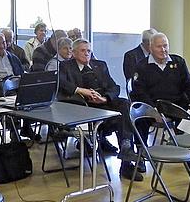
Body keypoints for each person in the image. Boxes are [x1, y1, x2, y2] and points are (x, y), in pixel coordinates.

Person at [59, 39, 138, 180]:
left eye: (89, 51)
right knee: (122, 120)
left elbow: (114, 87)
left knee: (125, 105)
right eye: (83, 51)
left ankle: (126, 150)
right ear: (74, 53)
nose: (86, 54)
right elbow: (62, 84)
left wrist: (105, 98)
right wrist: (81, 91)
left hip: (103, 102)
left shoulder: (100, 65)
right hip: (84, 107)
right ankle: (126, 159)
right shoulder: (66, 66)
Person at [131, 32, 190, 175]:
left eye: (165, 46)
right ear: (150, 48)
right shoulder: (142, 66)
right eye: (159, 47)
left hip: (176, 105)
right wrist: (153, 110)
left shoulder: (178, 62)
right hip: (152, 106)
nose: (163, 50)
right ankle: (141, 154)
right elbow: (139, 92)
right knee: (140, 119)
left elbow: (189, 85)